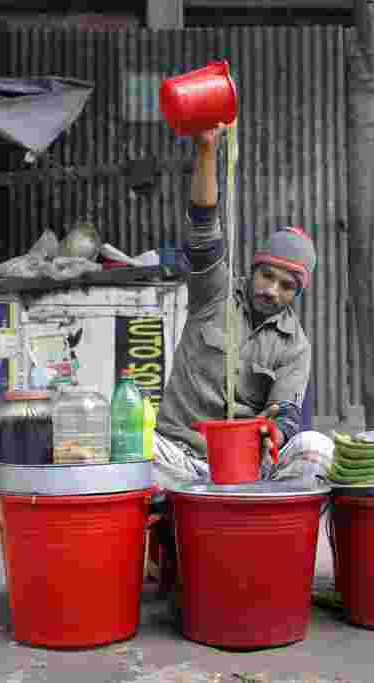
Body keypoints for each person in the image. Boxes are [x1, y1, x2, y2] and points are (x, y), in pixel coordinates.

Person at [152, 123, 335, 495]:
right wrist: (206, 151)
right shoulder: (213, 293)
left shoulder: (294, 346)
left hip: (247, 470)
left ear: (297, 294)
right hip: (178, 456)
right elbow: (202, 231)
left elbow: (285, 412)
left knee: (318, 448)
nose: (271, 290)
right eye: (267, 276)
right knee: (126, 451)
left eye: (287, 286)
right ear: (253, 269)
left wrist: (276, 430)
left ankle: (270, 530)